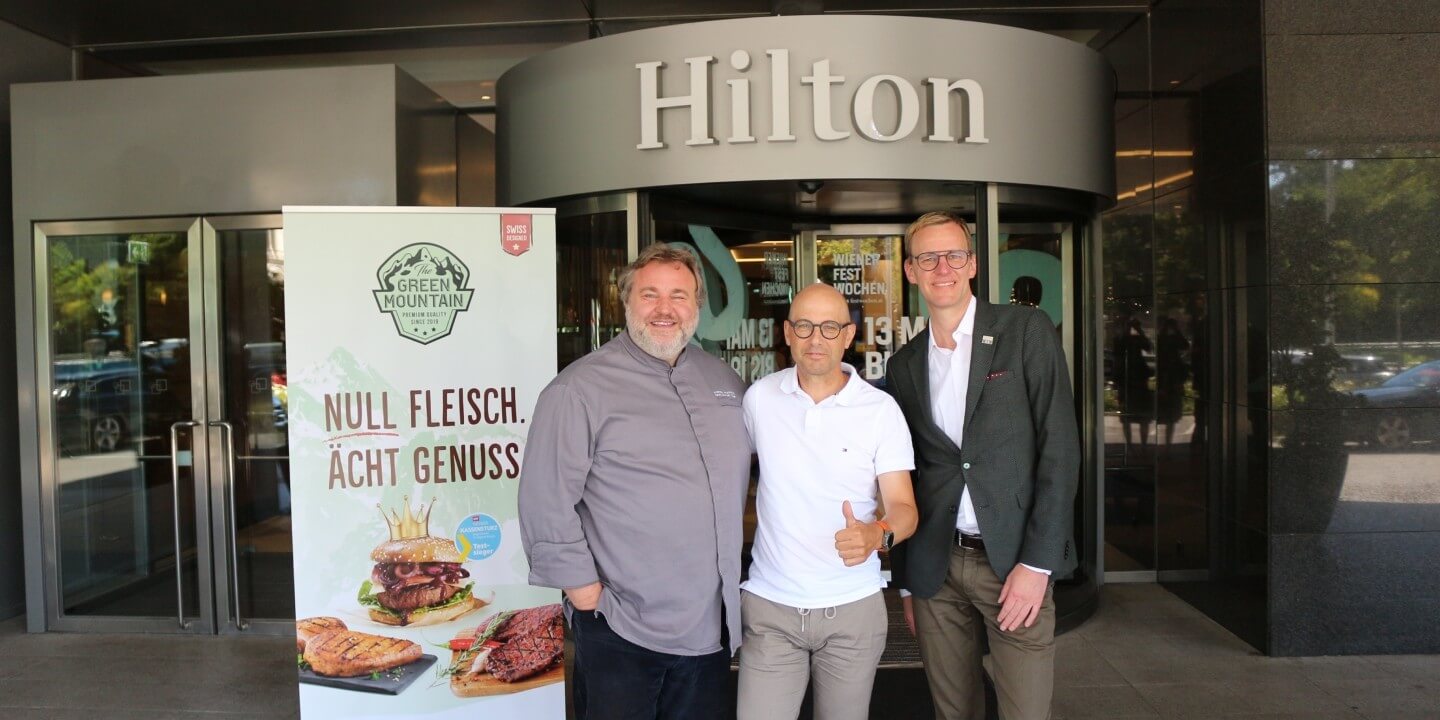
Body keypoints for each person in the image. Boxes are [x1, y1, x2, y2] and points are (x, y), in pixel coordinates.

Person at [517, 243, 751, 720]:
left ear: (698, 306)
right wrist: (585, 594)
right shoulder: (577, 390)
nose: (665, 309)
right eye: (650, 295)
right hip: (621, 628)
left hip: (710, 629)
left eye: (679, 295)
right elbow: (545, 501)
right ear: (625, 303)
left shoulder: (723, 380)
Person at [884, 211, 1080, 720]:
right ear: (910, 271)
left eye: (953, 255)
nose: (941, 267)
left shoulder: (1024, 330)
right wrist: (909, 580)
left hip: (1015, 561)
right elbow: (906, 474)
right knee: (954, 713)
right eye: (927, 257)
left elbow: (1059, 450)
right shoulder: (903, 365)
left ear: (972, 264)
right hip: (936, 568)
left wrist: (1039, 564)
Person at [738, 282, 919, 720]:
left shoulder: (880, 410)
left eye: (829, 327)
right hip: (771, 607)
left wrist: (877, 533)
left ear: (848, 334)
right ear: (787, 332)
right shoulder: (760, 399)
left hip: (853, 611)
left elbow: (904, 508)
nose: (815, 338)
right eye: (804, 325)